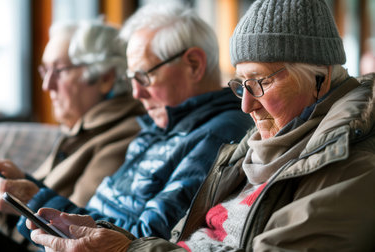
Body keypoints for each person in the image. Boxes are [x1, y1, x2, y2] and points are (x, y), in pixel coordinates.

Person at [27, 0, 375, 251]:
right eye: (240, 84)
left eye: (260, 82)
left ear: (321, 78)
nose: (246, 104)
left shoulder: (355, 162)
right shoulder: (257, 145)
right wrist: (106, 236)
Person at [0, 21, 145, 251]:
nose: (46, 85)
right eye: (44, 71)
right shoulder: (77, 132)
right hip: (32, 241)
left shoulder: (126, 134)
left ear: (106, 78)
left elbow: (77, 225)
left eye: (59, 71)